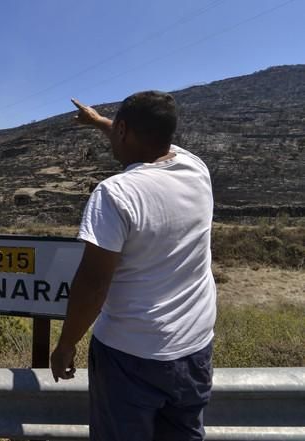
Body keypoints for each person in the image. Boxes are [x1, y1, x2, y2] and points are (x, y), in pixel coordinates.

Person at [50, 91, 216, 441]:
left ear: (124, 130)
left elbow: (94, 285)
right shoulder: (195, 167)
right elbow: (147, 136)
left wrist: (66, 344)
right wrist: (98, 122)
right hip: (195, 349)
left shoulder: (115, 194)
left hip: (129, 357)